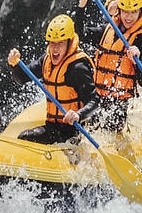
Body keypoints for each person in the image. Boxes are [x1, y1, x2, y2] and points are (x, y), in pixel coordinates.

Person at [74, 0, 142, 130]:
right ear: (119, 10)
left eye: (133, 12)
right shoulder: (107, 30)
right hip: (96, 99)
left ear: (140, 11)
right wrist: (83, 0)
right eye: (125, 11)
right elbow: (79, 34)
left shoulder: (141, 38)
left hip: (118, 106)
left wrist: (138, 61)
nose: (128, 17)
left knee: (105, 129)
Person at [11, 15, 97, 144]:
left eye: (60, 43)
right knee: (25, 137)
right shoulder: (46, 60)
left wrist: (78, 115)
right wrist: (15, 65)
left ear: (69, 43)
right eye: (52, 43)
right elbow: (21, 78)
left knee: (26, 137)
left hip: (75, 130)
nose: (55, 48)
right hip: (54, 127)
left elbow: (94, 100)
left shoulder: (78, 67)